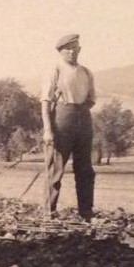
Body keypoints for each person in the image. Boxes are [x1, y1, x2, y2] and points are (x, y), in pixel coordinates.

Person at [40, 33, 97, 222]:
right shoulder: (55, 70)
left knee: (85, 169)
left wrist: (79, 113)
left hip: (83, 119)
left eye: (75, 48)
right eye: (68, 49)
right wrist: (48, 130)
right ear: (61, 52)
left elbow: (91, 99)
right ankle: (49, 213)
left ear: (80, 49)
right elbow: (45, 101)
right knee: (55, 169)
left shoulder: (86, 72)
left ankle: (86, 213)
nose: (72, 52)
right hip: (62, 120)